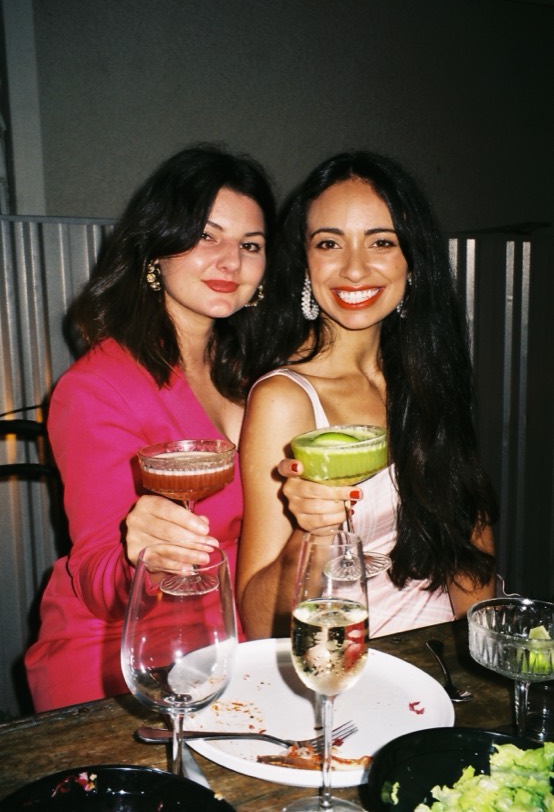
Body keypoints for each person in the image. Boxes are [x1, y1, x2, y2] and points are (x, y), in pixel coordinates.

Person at [25, 144, 276, 711]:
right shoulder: (97, 387)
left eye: (250, 245)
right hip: (119, 658)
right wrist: (140, 556)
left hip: (229, 643)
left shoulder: (258, 373)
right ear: (154, 250)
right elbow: (96, 569)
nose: (230, 262)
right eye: (206, 236)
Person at [237, 150, 498, 640]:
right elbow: (258, 625)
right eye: (329, 243)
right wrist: (308, 537)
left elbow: (470, 551)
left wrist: (489, 660)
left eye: (381, 241)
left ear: (413, 259)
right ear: (305, 262)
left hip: (448, 661)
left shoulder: (430, 376)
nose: (355, 270)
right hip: (353, 669)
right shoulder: (284, 399)